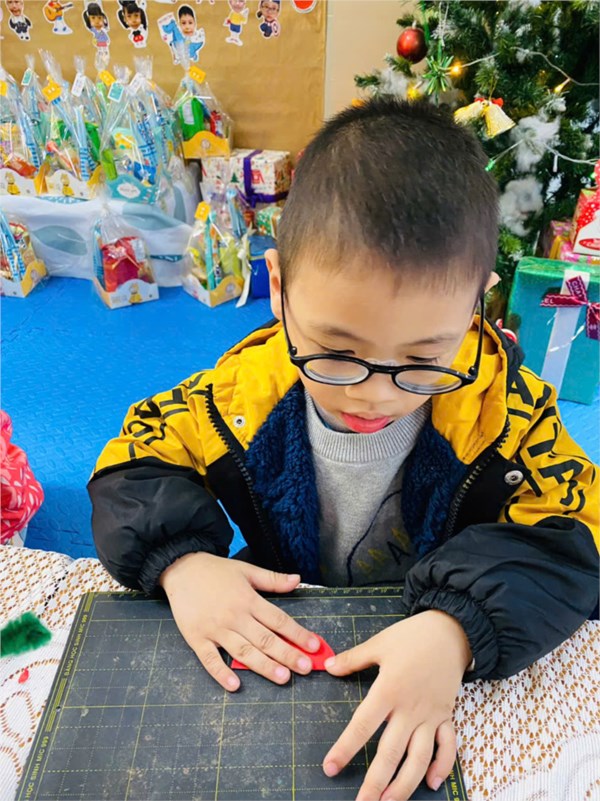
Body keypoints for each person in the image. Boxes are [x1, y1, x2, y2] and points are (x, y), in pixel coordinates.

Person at [89, 98, 599, 801]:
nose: (374, 395)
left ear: (476, 305)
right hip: (291, 634)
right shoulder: (241, 392)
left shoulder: (507, 413)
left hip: (435, 651)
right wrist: (180, 561)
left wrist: (458, 629)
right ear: (279, 287)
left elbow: (578, 535)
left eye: (423, 358)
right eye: (335, 351)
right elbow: (132, 459)